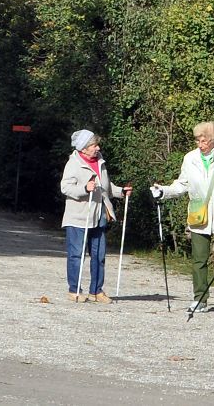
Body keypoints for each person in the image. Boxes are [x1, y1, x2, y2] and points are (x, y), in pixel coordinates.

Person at [151, 122, 214, 315]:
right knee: (199, 259)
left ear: (213, 140)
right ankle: (200, 299)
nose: (200, 144)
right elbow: (181, 185)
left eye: (204, 140)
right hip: (198, 214)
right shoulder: (190, 158)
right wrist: (163, 191)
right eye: (198, 140)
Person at [60, 129, 131, 303]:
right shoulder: (74, 163)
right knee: (77, 254)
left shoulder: (100, 162)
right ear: (84, 148)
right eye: (94, 145)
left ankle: (96, 291)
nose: (97, 148)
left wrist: (121, 191)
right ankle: (74, 290)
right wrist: (84, 189)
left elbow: (105, 186)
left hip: (99, 213)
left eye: (97, 144)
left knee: (99, 255)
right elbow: (66, 187)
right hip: (78, 216)